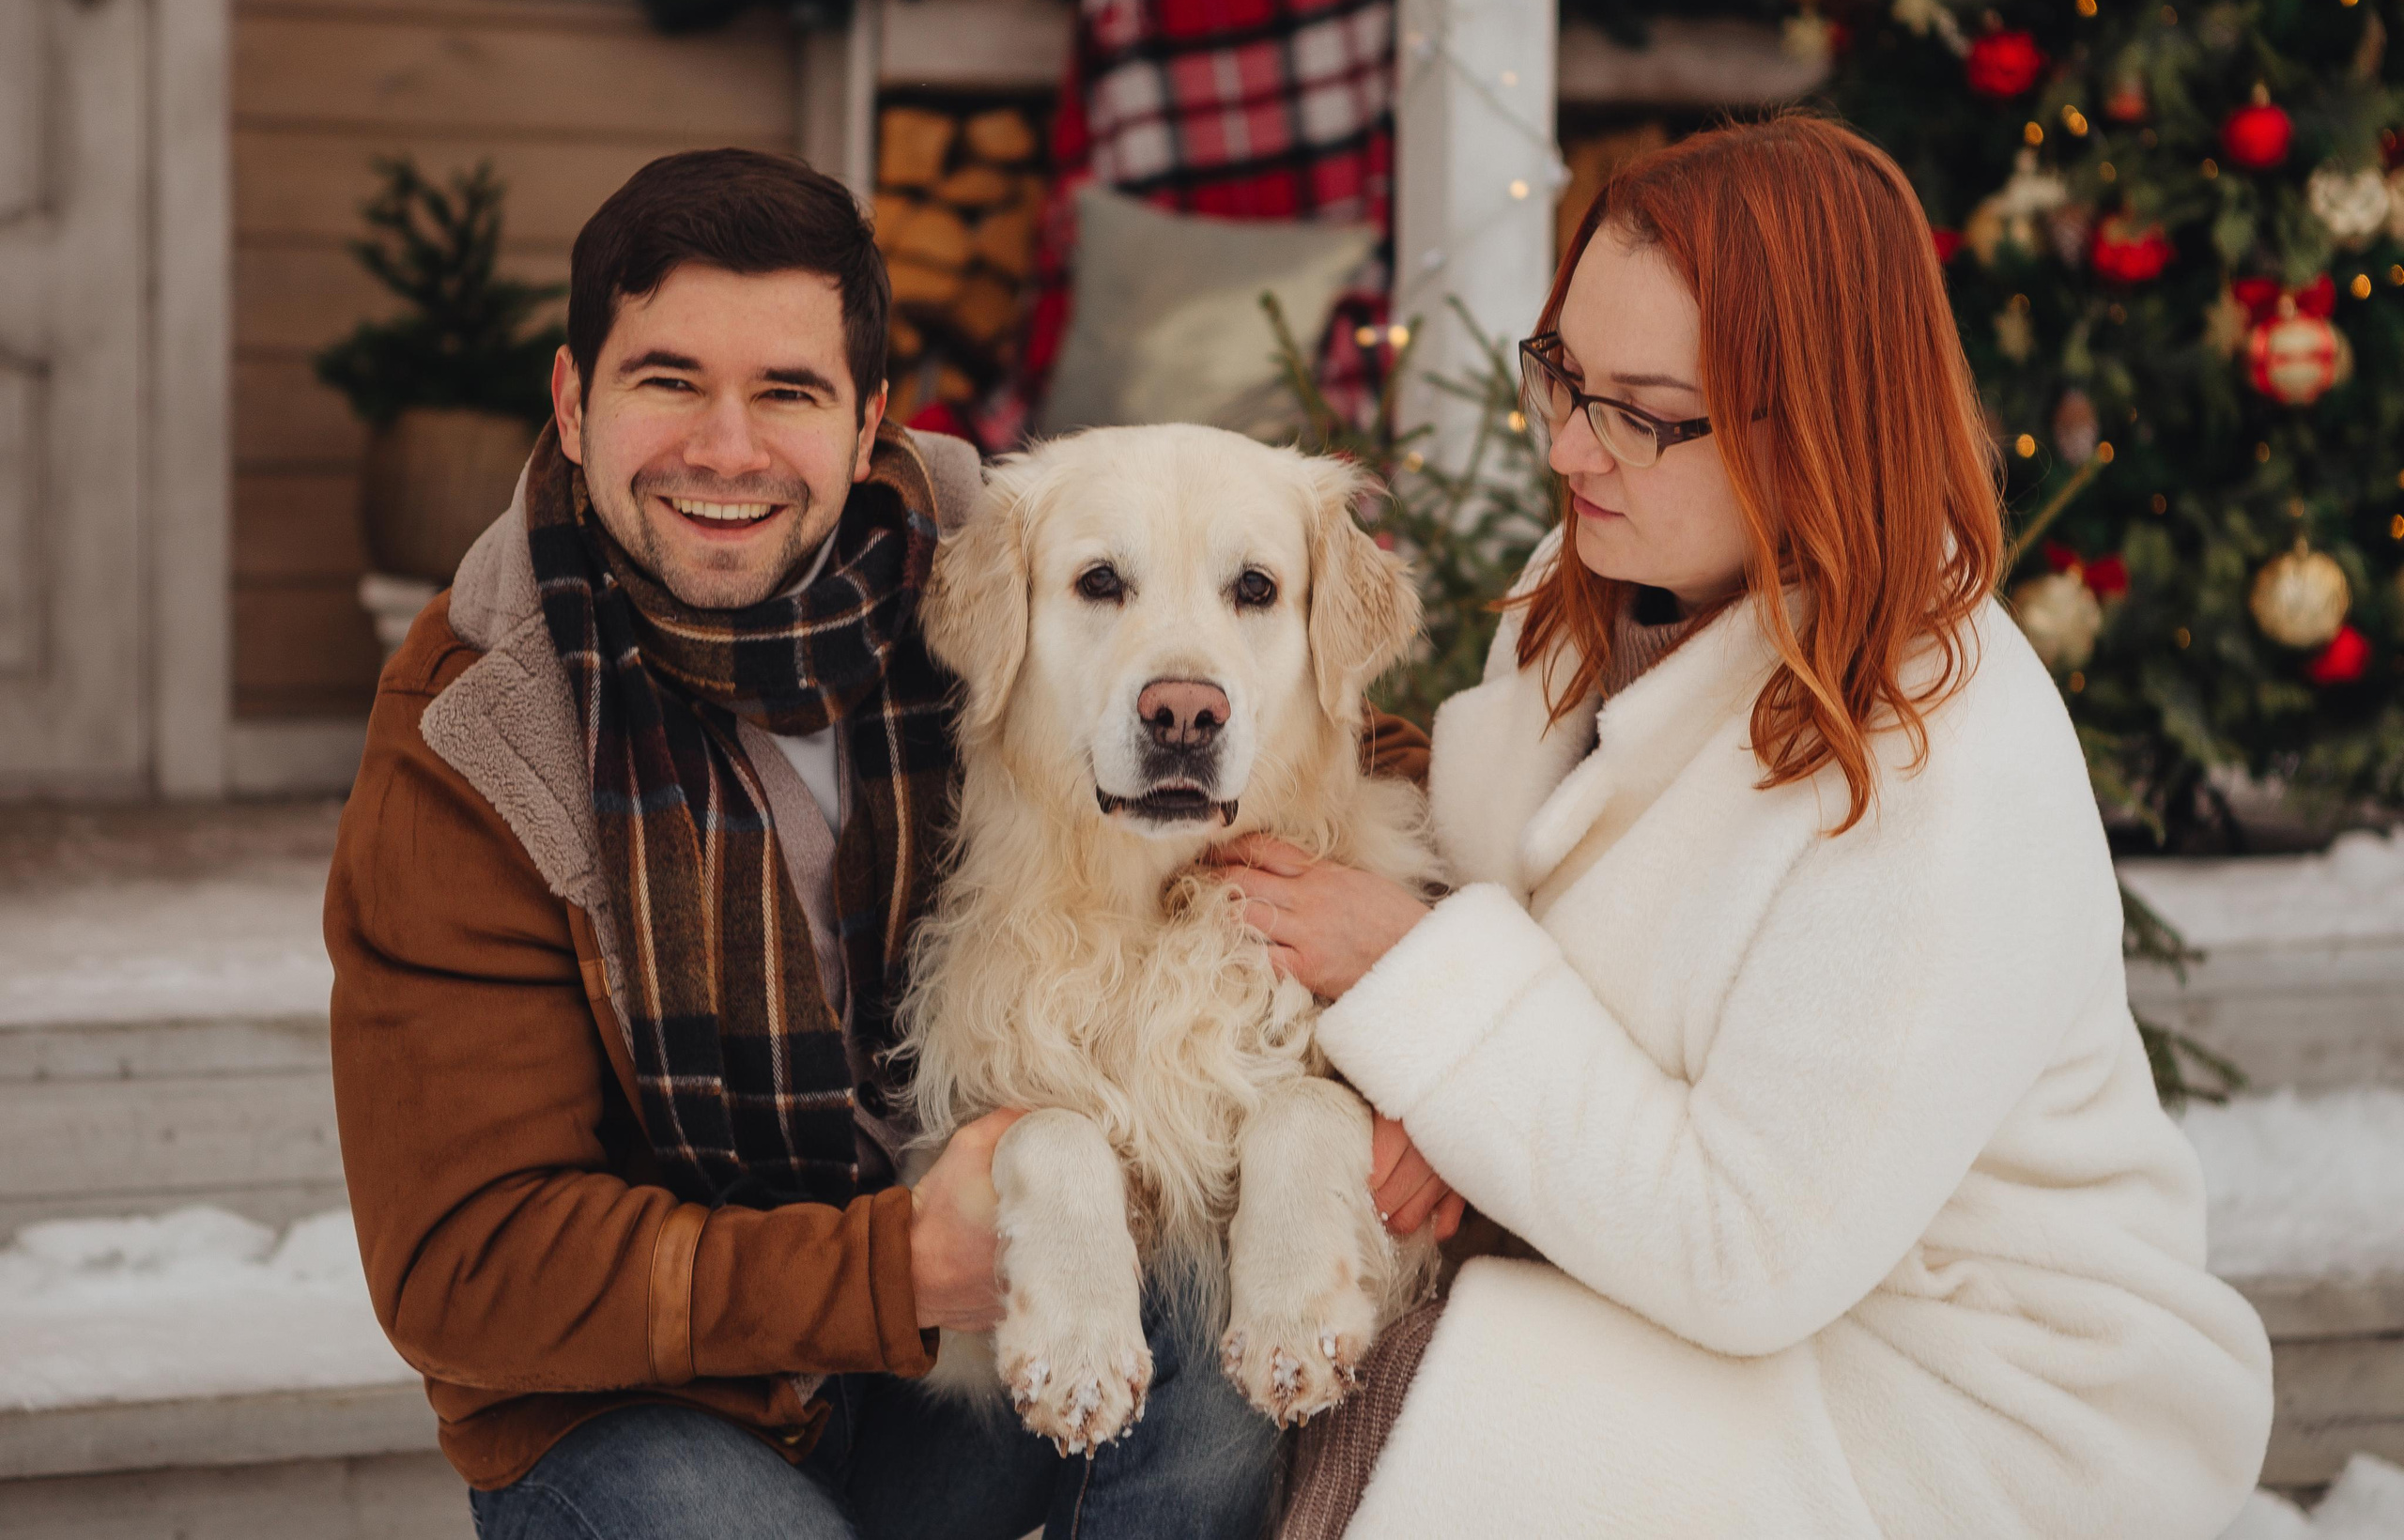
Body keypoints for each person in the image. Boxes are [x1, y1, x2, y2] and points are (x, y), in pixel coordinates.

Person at [324, 146, 1426, 1540]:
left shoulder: (966, 543)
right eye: (669, 381)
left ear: (866, 426)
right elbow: (465, 1269)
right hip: (646, 1405)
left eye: (787, 392)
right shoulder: (473, 731)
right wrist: (895, 1269)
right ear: (572, 400)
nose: (727, 450)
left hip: (936, 1382)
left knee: (1218, 1329)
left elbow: (1323, 741)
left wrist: (1429, 990)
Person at [1217, 115, 2274, 1539]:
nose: (1569, 447)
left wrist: (1415, 979)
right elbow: (1520, 901)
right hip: (1679, 1293)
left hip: (1964, 1386)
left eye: (1642, 412)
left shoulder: (1942, 757)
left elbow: (1750, 1249)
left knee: (1394, 1414)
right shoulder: (1597, 577)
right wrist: (1428, 1092)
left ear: (1814, 426)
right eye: (1562, 375)